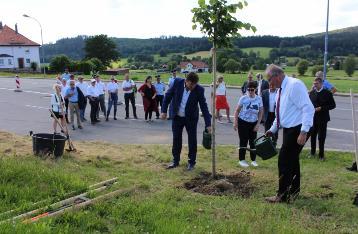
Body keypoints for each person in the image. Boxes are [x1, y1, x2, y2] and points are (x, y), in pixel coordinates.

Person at [265, 64, 315, 203]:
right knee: (292, 159)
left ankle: (282, 196)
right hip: (289, 128)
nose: (269, 82)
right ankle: (294, 191)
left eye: (270, 79)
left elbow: (308, 108)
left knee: (284, 160)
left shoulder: (294, 85)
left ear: (278, 75)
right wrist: (272, 129)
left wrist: (304, 131)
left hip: (299, 128)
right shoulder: (280, 90)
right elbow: (280, 114)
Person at [161, 72, 212, 171]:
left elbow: (204, 107)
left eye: (195, 84)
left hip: (191, 119)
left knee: (192, 140)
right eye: (191, 84)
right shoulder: (177, 82)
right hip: (177, 116)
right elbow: (167, 96)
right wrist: (163, 111)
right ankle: (175, 161)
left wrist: (208, 124)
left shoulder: (199, 90)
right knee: (176, 139)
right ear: (186, 81)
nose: (193, 86)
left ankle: (191, 162)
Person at [234, 81, 263, 167]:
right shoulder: (243, 98)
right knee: (243, 141)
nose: (250, 91)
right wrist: (235, 122)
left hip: (253, 123)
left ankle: (253, 160)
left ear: (255, 89)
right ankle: (241, 159)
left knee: (253, 142)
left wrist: (258, 124)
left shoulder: (259, 99)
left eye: (252, 90)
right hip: (243, 122)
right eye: (248, 89)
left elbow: (261, 112)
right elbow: (237, 111)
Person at [308, 77, 336, 160]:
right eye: (314, 84)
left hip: (323, 119)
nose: (314, 85)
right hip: (313, 118)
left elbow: (333, 105)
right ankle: (312, 153)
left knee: (321, 137)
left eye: (316, 84)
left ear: (321, 84)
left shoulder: (327, 93)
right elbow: (309, 104)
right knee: (313, 136)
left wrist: (321, 108)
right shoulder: (312, 93)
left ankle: (321, 155)